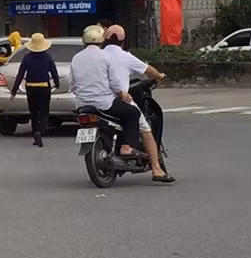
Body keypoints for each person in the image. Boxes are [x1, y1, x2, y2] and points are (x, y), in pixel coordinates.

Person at [102, 25, 174, 183]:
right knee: (146, 129)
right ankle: (156, 169)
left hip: (98, 100)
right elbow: (149, 70)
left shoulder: (100, 56)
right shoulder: (124, 56)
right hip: (118, 99)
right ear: (123, 41)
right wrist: (160, 75)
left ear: (105, 40)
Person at [70, 25, 141, 157]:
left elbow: (72, 85)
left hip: (82, 104)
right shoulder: (106, 56)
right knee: (132, 113)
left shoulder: (76, 58)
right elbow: (114, 82)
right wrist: (122, 94)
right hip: (104, 103)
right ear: (102, 41)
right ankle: (126, 147)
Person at [10, 33, 60, 147]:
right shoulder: (47, 58)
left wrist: (14, 91)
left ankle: (35, 134)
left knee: (33, 113)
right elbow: (54, 72)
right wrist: (57, 84)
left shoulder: (27, 58)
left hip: (30, 88)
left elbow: (20, 74)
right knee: (44, 112)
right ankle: (40, 131)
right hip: (44, 88)